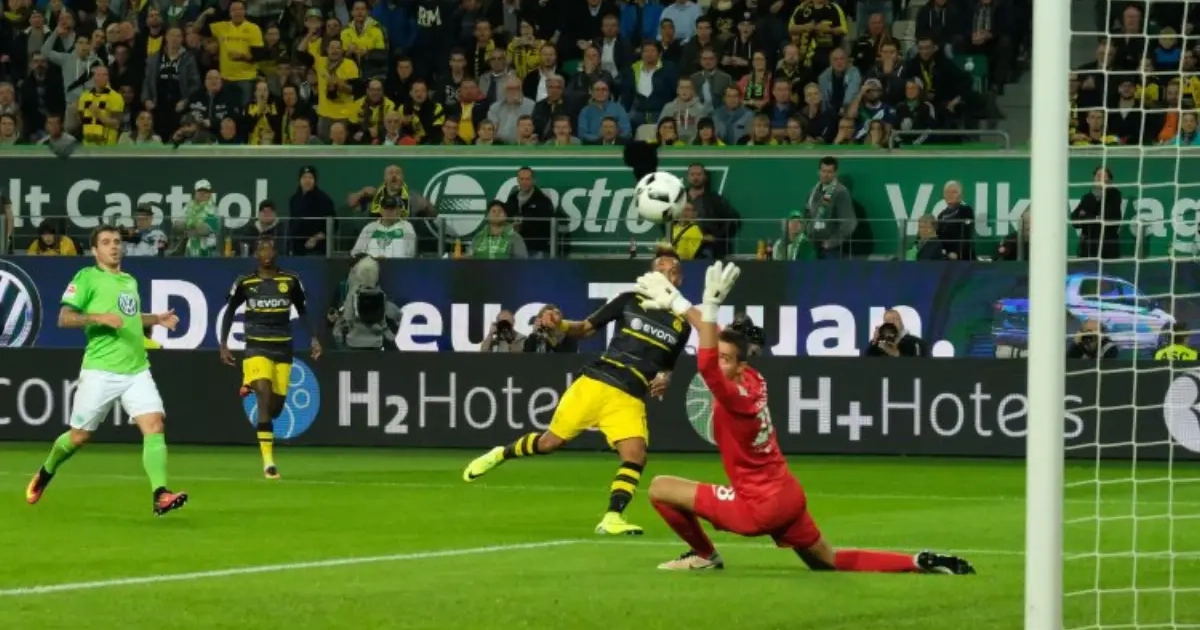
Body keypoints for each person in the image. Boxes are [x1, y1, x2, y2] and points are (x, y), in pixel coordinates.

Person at [632, 263, 976, 575]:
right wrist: (678, 303)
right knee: (828, 560)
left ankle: (704, 555)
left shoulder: (733, 397)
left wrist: (706, 305)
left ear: (739, 366)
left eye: (726, 360)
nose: (719, 361)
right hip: (787, 495)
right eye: (721, 356)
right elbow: (719, 341)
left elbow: (707, 362)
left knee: (660, 488)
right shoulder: (752, 379)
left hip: (756, 507)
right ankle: (917, 562)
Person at [462, 247, 692, 536]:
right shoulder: (629, 300)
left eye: (673, 271)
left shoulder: (682, 325)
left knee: (636, 456)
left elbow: (668, 366)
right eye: (661, 269)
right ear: (651, 274)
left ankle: (612, 518)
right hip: (597, 383)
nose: (667, 275)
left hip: (629, 397)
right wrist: (559, 324)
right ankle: (501, 453)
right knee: (549, 443)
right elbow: (584, 328)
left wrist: (665, 378)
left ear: (679, 279)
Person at [25, 225, 188, 517]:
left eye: (116, 241)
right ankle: (47, 470)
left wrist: (156, 318)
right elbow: (64, 318)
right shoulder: (86, 277)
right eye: (106, 242)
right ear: (95, 250)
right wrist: (98, 317)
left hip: (136, 368)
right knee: (79, 436)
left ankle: (160, 494)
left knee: (154, 424)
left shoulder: (129, 280)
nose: (113, 246)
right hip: (101, 370)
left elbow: (128, 318)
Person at [219, 237, 322, 479]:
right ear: (256, 254)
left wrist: (314, 338)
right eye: (262, 249)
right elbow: (230, 311)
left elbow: (303, 310)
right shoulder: (245, 282)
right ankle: (268, 462)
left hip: (283, 348)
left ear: (276, 253)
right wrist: (223, 344)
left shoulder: (291, 280)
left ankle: (249, 383)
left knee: (275, 409)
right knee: (263, 396)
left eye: (270, 249)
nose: (266, 253)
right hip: (256, 346)